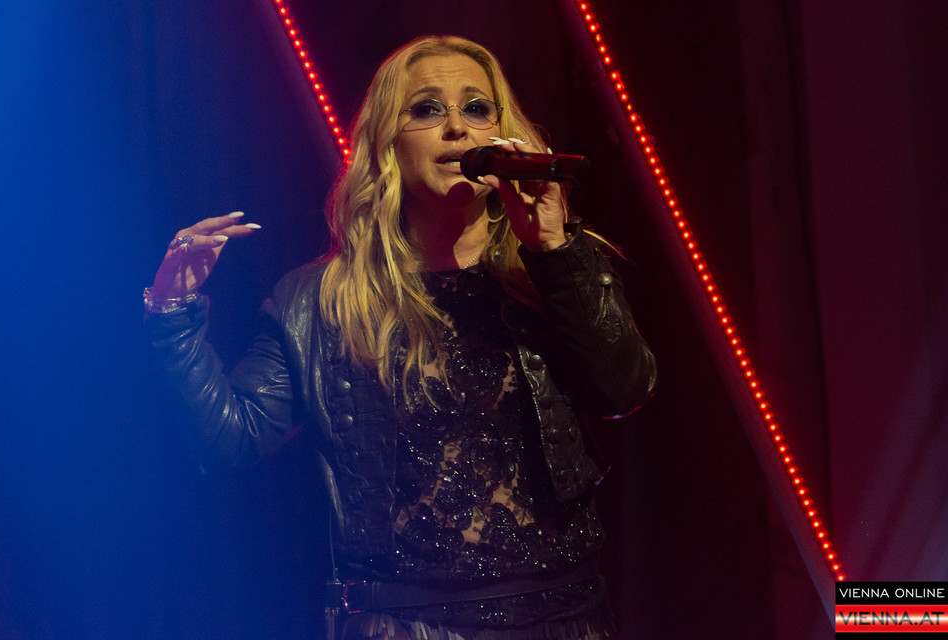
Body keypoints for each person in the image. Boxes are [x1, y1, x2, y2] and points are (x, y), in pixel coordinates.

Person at [145, 35, 656, 640]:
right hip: (403, 623)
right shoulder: (320, 301)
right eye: (428, 109)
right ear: (387, 144)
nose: (457, 127)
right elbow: (230, 441)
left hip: (562, 619)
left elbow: (624, 388)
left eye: (477, 108)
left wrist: (553, 250)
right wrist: (171, 312)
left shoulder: (553, 270)